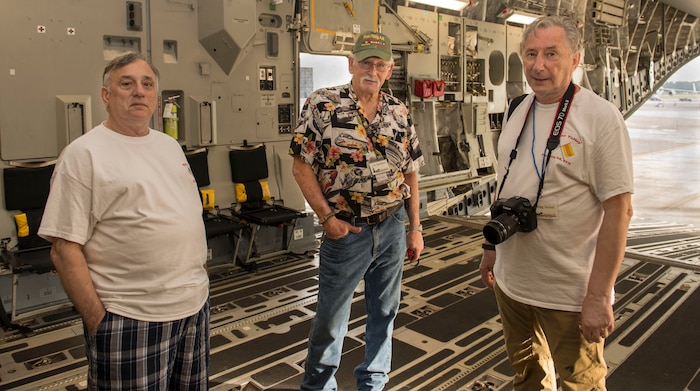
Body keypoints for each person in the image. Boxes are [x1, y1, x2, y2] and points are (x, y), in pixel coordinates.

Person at [38, 53, 210, 390]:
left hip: (193, 309)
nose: (139, 92)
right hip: (130, 315)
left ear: (157, 99)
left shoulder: (169, 146)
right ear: (106, 95)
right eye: (126, 84)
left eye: (147, 85)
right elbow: (63, 247)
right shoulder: (84, 154)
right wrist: (96, 320)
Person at [479, 16, 633, 390]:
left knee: (581, 383)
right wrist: (490, 249)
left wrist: (598, 296)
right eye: (531, 54)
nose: (539, 65)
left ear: (575, 59)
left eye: (551, 53)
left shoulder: (600, 118)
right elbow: (505, 184)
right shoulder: (518, 109)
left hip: (568, 293)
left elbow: (619, 211)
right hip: (512, 284)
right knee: (528, 377)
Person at [290, 31, 424, 390]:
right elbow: (301, 166)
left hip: (393, 225)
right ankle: (318, 386)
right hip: (346, 231)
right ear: (351, 64)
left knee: (384, 312)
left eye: (380, 64)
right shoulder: (322, 105)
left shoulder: (398, 111)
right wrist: (326, 218)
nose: (372, 69)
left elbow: (411, 168)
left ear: (390, 69)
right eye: (366, 62)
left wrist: (415, 227)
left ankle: (374, 382)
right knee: (331, 318)